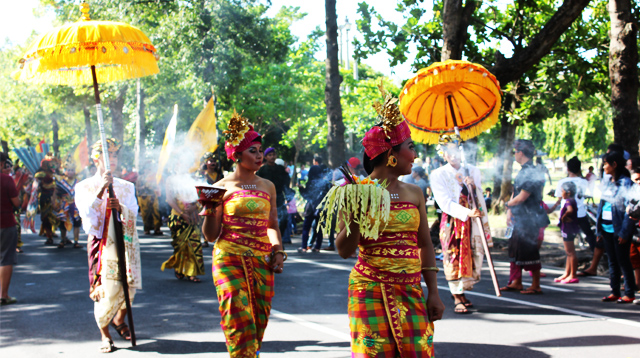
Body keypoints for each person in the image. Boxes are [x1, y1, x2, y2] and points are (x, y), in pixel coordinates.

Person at [335, 87, 444, 357]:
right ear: (390, 153)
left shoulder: (414, 192)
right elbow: (344, 250)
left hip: (410, 289)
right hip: (368, 289)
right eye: (410, 147)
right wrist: (359, 214)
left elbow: (425, 246)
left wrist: (433, 292)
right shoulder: (354, 190)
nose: (415, 155)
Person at [201, 111, 285, 357]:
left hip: (262, 261)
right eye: (253, 151)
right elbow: (210, 236)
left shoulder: (267, 185)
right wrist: (209, 209)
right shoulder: (219, 188)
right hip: (228, 259)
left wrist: (278, 251)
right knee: (239, 320)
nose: (259, 156)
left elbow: (272, 225)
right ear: (236, 155)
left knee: (258, 322)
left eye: (260, 150)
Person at [75, 139, 142, 353]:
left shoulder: (126, 186)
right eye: (107, 156)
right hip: (101, 244)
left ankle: (119, 319)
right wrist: (102, 189)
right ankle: (105, 334)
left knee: (129, 286)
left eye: (114, 156)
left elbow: (133, 213)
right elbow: (87, 216)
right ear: (96, 159)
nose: (112, 160)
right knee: (105, 288)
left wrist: (120, 208)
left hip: (124, 242)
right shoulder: (84, 186)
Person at [430, 137, 492, 313]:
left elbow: (478, 197)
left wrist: (473, 187)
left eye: (455, 150)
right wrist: (465, 212)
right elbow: (444, 202)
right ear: (443, 154)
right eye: (447, 151)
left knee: (471, 255)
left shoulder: (472, 170)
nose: (452, 155)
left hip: (472, 222)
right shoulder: (438, 174)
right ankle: (457, 297)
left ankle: (462, 291)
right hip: (452, 222)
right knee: (452, 256)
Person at [501, 139, 548, 295]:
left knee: (529, 250)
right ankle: (517, 281)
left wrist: (508, 204)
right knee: (516, 249)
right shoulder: (523, 171)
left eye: (515, 151)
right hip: (520, 216)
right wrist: (510, 211)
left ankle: (536, 285)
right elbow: (516, 192)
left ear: (521, 153)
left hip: (530, 218)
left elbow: (522, 197)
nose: (515, 154)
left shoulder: (532, 172)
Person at [548, 157, 600, 277]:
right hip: (581, 213)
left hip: (568, 217)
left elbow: (558, 197)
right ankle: (595, 259)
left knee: (569, 247)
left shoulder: (563, 182)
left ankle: (571, 274)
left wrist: (560, 213)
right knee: (590, 237)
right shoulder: (583, 182)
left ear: (567, 168)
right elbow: (588, 194)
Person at [597, 151, 637, 303]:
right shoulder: (607, 182)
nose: (604, 166)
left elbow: (630, 210)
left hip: (619, 229)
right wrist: (599, 229)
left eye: (606, 163)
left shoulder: (626, 183)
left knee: (623, 261)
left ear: (614, 165)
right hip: (606, 228)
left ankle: (629, 292)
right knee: (612, 261)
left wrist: (624, 232)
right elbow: (602, 205)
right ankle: (614, 291)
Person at [161, 174, 204, 283]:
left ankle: (192, 272)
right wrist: (182, 213)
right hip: (178, 218)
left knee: (194, 243)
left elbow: (201, 197)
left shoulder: (194, 177)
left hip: (193, 216)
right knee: (181, 246)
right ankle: (180, 267)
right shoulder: (170, 179)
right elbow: (170, 200)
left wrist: (194, 207)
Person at [256, 147, 291, 244]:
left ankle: (279, 240)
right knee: (267, 221)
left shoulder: (281, 169)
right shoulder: (262, 170)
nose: (272, 157)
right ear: (266, 157)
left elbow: (286, 183)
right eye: (270, 155)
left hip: (279, 197)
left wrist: (288, 197)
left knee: (284, 220)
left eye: (273, 154)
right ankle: (269, 241)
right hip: (266, 198)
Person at [0, 152, 20, 305]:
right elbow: (17, 203)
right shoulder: (7, 180)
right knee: (6, 259)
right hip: (5, 222)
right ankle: (3, 294)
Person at [298, 165, 331, 252]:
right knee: (319, 227)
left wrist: (301, 189)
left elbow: (306, 196)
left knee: (306, 227)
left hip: (311, 208)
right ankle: (317, 247)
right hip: (321, 208)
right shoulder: (325, 183)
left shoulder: (310, 183)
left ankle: (304, 247)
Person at [553, 181, 580, 284]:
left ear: (568, 192)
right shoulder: (572, 200)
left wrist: (563, 217)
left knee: (570, 252)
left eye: (562, 191)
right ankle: (567, 272)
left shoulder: (568, 201)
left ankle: (572, 274)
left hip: (568, 228)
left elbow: (570, 210)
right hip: (571, 228)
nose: (561, 193)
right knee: (568, 252)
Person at [35, 154, 60, 244]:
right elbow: (35, 184)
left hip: (57, 198)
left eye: (55, 164)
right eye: (51, 164)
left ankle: (58, 235)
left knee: (58, 217)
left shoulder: (58, 175)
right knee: (46, 218)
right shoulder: (41, 174)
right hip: (45, 199)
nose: (54, 166)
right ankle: (49, 235)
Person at [56, 165, 82, 248]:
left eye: (72, 170)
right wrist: (57, 203)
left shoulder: (79, 182)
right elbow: (57, 194)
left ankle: (76, 241)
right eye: (68, 170)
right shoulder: (61, 182)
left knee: (77, 223)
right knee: (63, 223)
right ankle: (62, 240)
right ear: (65, 171)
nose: (70, 172)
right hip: (64, 205)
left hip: (75, 205)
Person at [136, 168, 163, 236]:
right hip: (143, 197)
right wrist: (144, 187)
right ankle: (146, 229)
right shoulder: (140, 178)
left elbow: (157, 187)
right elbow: (137, 188)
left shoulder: (154, 177)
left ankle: (157, 228)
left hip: (153, 196)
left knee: (156, 212)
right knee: (145, 213)